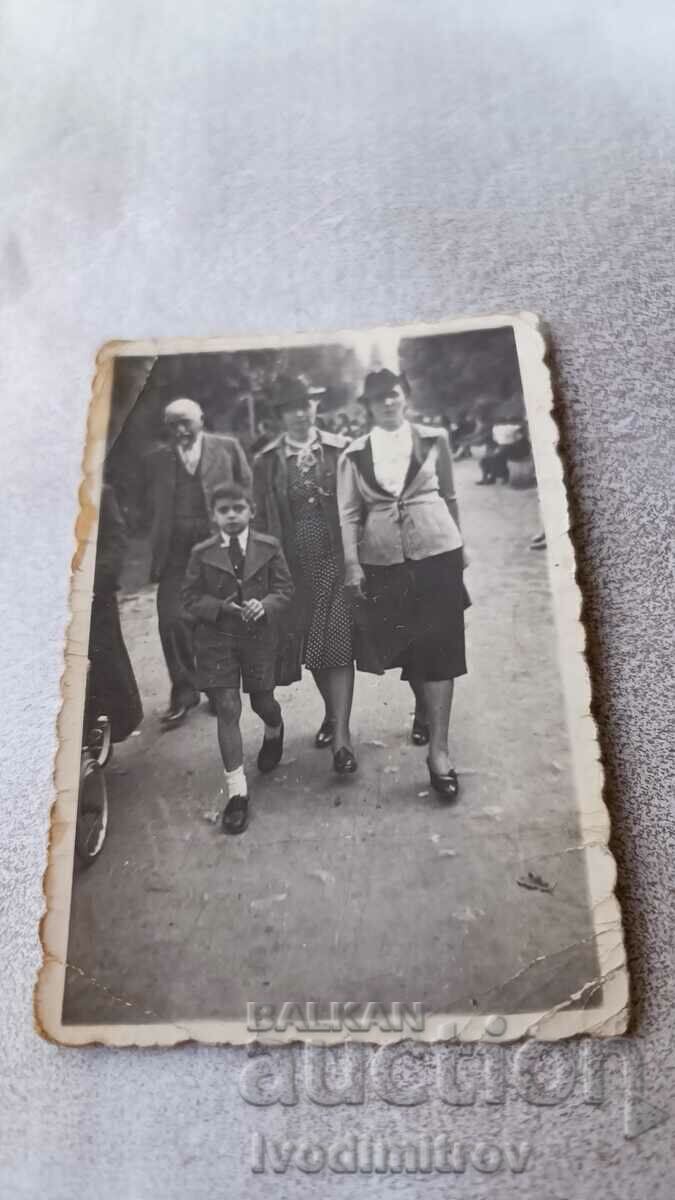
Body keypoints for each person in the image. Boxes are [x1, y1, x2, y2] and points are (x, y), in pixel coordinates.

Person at [337, 368, 468, 800]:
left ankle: (440, 754)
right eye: (377, 399)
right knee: (408, 646)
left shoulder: (434, 439)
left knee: (442, 648)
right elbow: (350, 515)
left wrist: (460, 546)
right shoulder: (354, 454)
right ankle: (422, 708)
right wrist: (353, 565)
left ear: (405, 397)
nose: (387, 403)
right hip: (384, 561)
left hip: (436, 552)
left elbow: (448, 495)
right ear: (368, 406)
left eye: (393, 395)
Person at [252, 376, 357, 774]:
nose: (300, 413)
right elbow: (262, 520)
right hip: (293, 567)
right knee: (314, 647)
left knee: (339, 642)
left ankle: (342, 742)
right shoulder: (268, 461)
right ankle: (332, 716)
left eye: (306, 405)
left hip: (334, 557)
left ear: (315, 407)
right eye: (291, 407)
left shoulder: (338, 449)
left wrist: (356, 559)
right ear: (281, 415)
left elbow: (354, 506)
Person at [182, 482, 294, 834]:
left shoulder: (269, 547)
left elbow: (285, 590)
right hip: (217, 638)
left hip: (258, 638)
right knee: (228, 707)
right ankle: (237, 793)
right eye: (223, 510)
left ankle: (274, 728)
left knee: (263, 702)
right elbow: (187, 598)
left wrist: (266, 605)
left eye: (238, 509)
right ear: (213, 516)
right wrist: (218, 608)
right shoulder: (201, 552)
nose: (231, 516)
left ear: (251, 511)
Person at [145, 398, 252, 728]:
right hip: (176, 551)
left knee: (218, 616)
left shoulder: (227, 448)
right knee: (171, 619)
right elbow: (150, 505)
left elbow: (248, 491)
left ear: (201, 420)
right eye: (173, 424)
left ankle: (218, 689)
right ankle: (184, 690)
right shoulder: (159, 460)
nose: (180, 430)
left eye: (185, 422)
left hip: (216, 546)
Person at [86, 484, 143, 743]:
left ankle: (115, 725)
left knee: (103, 658)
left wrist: (95, 583)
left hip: (94, 593)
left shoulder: (100, 493)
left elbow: (115, 540)